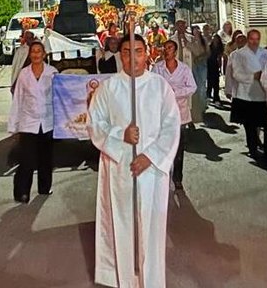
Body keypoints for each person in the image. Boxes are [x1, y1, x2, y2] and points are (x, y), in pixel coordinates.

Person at [88, 34, 180, 288]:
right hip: (119, 168)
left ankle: (150, 281)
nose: (133, 57)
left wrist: (149, 156)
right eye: (127, 51)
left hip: (151, 171)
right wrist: (121, 136)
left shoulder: (160, 86)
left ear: (147, 53)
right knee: (122, 224)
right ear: (121, 55)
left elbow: (171, 127)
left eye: (138, 51)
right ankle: (123, 280)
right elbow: (95, 124)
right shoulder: (109, 88)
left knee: (150, 227)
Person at [8, 41, 58, 203]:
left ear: (44, 54)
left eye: (39, 51)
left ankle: (44, 187)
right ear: (30, 55)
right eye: (33, 52)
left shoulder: (52, 73)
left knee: (46, 158)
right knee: (27, 160)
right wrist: (14, 126)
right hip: (28, 122)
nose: (36, 54)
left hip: (48, 122)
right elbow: (18, 100)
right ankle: (22, 192)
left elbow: (60, 98)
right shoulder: (23, 74)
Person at [152, 39, 197, 191]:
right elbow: (152, 86)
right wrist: (165, 93)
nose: (166, 50)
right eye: (164, 48)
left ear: (175, 51)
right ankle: (163, 175)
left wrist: (176, 92)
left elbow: (192, 87)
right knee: (162, 145)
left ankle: (178, 178)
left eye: (169, 48)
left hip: (180, 113)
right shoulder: (157, 68)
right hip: (162, 113)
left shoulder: (184, 69)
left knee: (178, 148)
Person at [229, 29, 267, 159]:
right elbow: (236, 74)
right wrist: (252, 76)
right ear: (248, 39)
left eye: (257, 39)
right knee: (250, 126)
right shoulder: (239, 54)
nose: (254, 42)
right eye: (252, 39)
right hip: (246, 94)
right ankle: (253, 149)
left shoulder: (265, 53)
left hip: (262, 93)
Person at [172, 20, 206, 122]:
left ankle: (190, 116)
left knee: (190, 94)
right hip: (176, 70)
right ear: (176, 26)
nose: (181, 27)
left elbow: (199, 52)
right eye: (179, 25)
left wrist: (188, 44)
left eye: (183, 25)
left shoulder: (190, 38)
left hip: (189, 69)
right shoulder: (172, 39)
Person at [206, 34, 225, 104]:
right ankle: (208, 94)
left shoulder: (220, 47)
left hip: (216, 65)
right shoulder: (209, 46)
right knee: (209, 81)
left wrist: (220, 66)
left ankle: (216, 97)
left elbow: (220, 57)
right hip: (209, 64)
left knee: (216, 82)